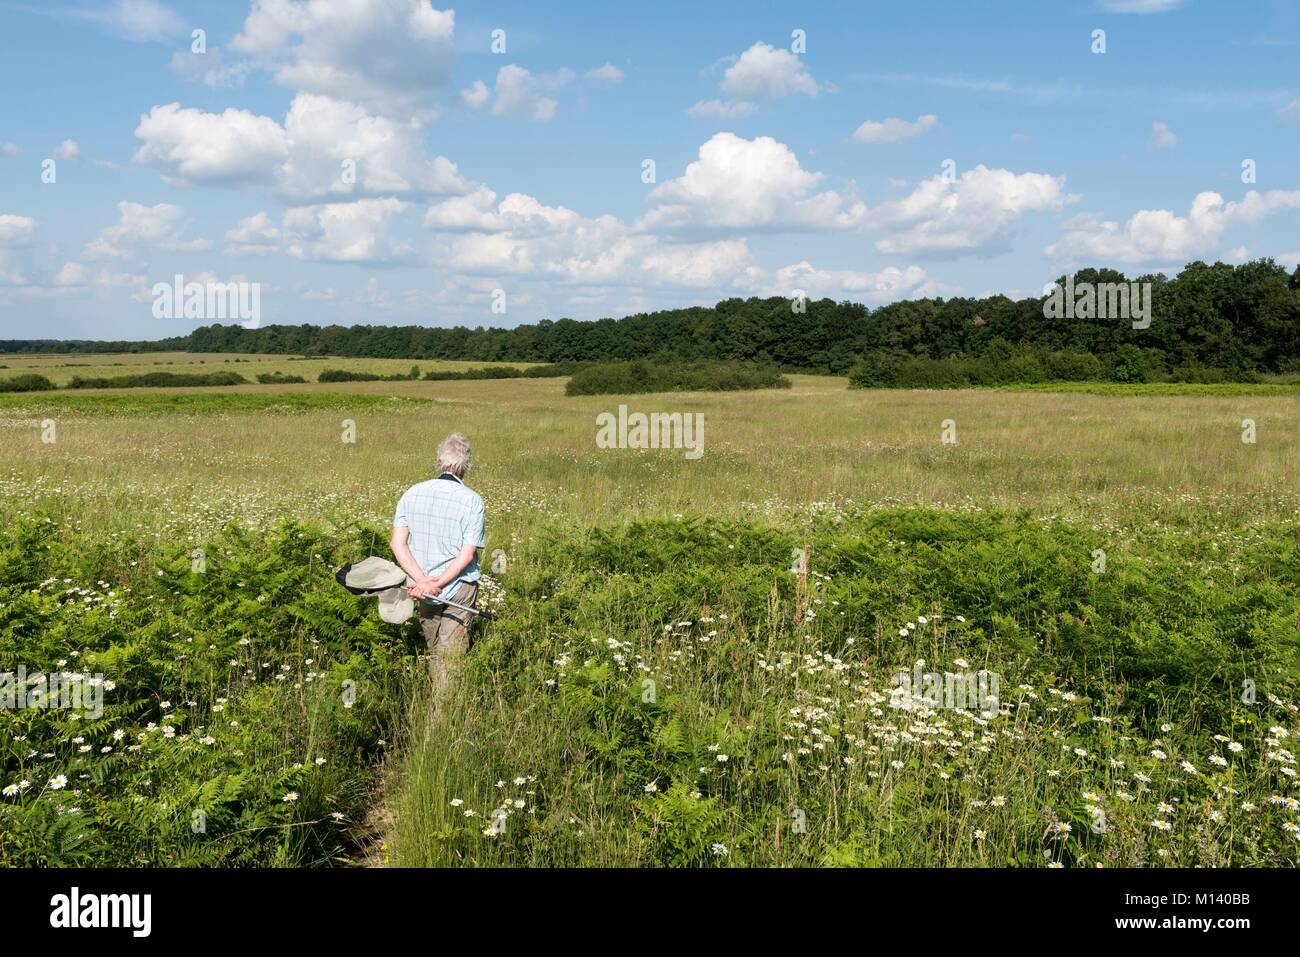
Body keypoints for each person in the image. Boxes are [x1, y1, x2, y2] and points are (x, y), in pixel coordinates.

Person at [389, 432, 486, 699]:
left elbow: (398, 544)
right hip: (458, 589)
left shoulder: (412, 493)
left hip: (422, 589)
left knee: (435, 650)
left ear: (438, 461)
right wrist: (438, 583)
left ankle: (438, 710)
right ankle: (442, 717)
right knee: (449, 656)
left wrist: (423, 581)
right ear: (466, 466)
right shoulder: (472, 500)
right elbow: (467, 556)